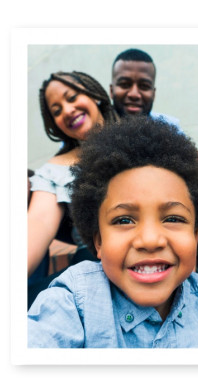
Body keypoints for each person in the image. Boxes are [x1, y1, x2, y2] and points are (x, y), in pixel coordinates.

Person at [28, 116, 198, 348]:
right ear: (98, 241)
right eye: (124, 219)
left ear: (195, 236)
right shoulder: (74, 301)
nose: (149, 240)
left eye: (173, 218)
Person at [110, 49, 198, 334]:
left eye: (144, 86)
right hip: (128, 222)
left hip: (167, 214)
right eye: (125, 84)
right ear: (112, 87)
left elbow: (188, 165)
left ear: (154, 90)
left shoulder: (166, 125)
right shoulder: (99, 126)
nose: (135, 93)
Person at [27, 71, 119, 280]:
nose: (67, 110)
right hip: (92, 275)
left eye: (72, 97)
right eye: (57, 111)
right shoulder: (54, 171)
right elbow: (37, 226)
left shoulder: (143, 137)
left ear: (93, 94)